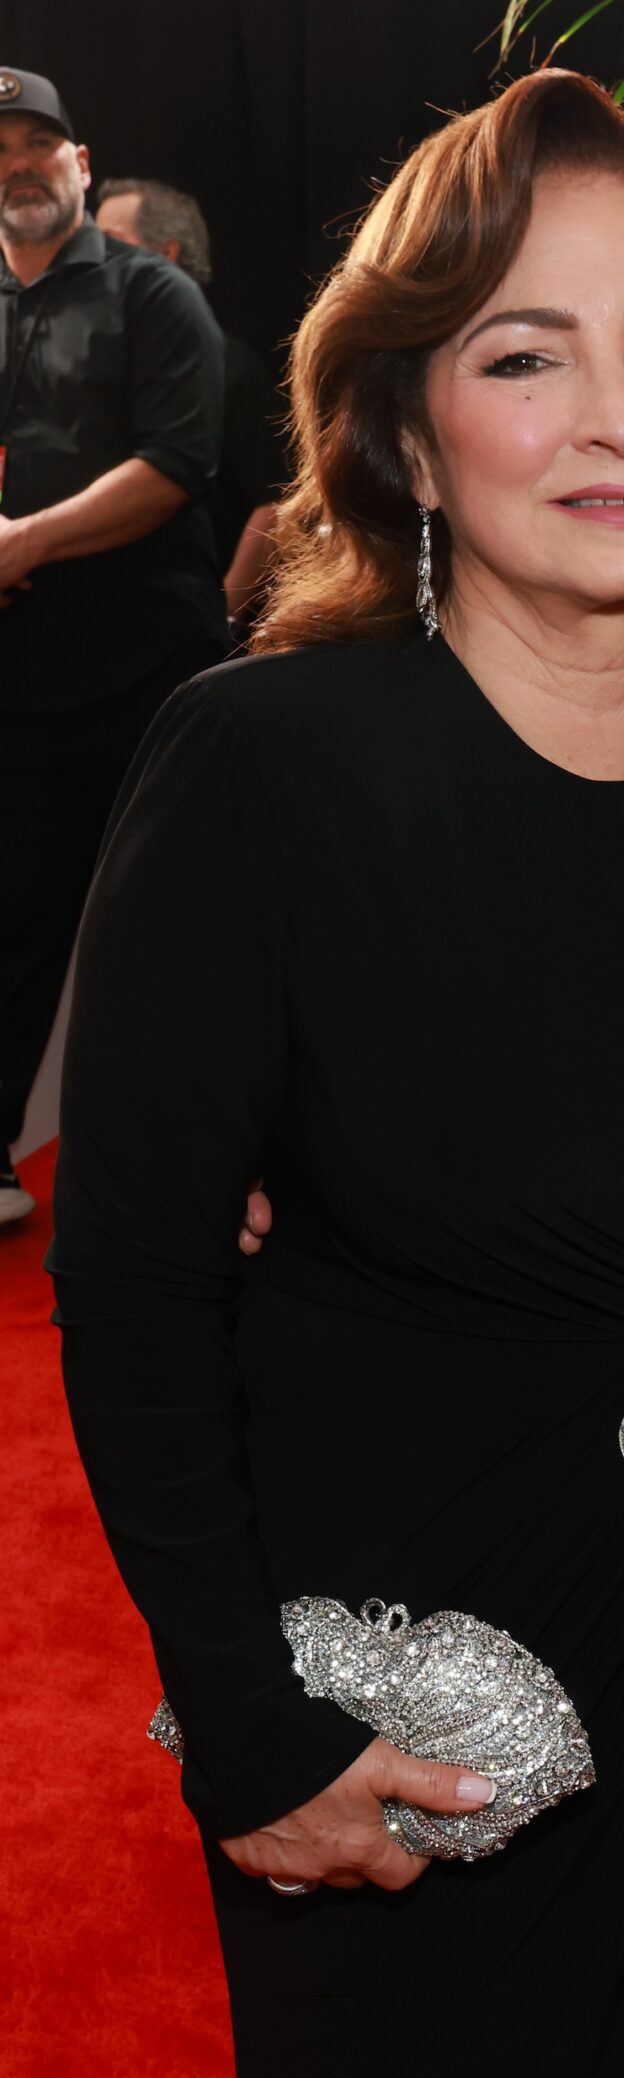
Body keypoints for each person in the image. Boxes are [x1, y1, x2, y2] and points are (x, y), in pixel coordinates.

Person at [51, 68, 624, 2078]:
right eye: (525, 352)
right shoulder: (266, 764)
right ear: (406, 433)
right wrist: (247, 1724)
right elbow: (127, 1279)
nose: (620, 414)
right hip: (410, 1721)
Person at [0, 67, 225, 1228]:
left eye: (40, 144)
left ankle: (187, 1175)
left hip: (146, 673)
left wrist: (22, 540)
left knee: (171, 925)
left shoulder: (152, 296)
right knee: (16, 916)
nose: (18, 164)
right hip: (21, 682)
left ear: (81, 165)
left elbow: (179, 462)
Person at [94, 176, 291, 634]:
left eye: (112, 244)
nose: (92, 261)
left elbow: (276, 503)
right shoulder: (109, 368)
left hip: (186, 637)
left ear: (166, 254)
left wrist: (220, 615)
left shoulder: (233, 368)